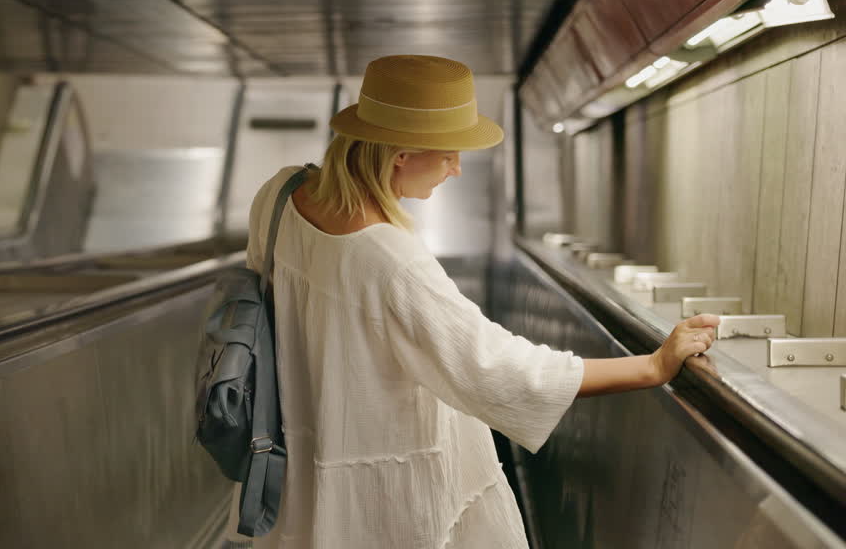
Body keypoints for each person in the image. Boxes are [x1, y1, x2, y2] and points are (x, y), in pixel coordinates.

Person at [241, 55, 719, 548]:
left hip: (292, 467)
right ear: (401, 153)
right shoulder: (390, 260)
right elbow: (495, 368)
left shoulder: (278, 196)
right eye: (449, 153)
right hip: (381, 498)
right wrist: (653, 367)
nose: (456, 168)